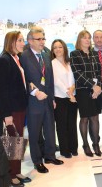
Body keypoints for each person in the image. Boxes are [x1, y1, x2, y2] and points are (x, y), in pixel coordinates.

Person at [20, 27, 63, 174]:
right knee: (34, 133)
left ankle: (50, 156)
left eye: (43, 39)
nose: (42, 42)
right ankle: (37, 161)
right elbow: (23, 80)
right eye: (39, 39)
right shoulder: (23, 57)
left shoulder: (45, 55)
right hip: (33, 102)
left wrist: (52, 98)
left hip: (47, 101)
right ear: (30, 41)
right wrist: (34, 92)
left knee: (50, 129)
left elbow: (49, 80)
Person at [0, 31, 29, 186]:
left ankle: (17, 171)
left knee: (18, 140)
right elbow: (2, 90)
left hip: (20, 106)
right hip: (12, 109)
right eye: (20, 40)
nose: (23, 43)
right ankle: (10, 175)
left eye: (23, 40)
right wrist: (6, 114)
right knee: (12, 142)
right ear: (11, 42)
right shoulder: (4, 60)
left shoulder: (17, 58)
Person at [70, 30, 102, 157]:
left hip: (96, 91)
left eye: (89, 38)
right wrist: (93, 85)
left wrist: (98, 87)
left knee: (95, 117)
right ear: (79, 40)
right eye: (84, 38)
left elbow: (99, 71)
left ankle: (95, 143)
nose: (87, 40)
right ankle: (85, 144)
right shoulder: (74, 54)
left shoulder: (94, 54)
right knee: (84, 118)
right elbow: (77, 74)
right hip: (83, 91)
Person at [51, 39, 78, 158]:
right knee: (62, 125)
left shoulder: (69, 62)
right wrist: (69, 94)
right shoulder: (52, 63)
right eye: (55, 47)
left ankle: (73, 147)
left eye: (60, 47)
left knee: (72, 123)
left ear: (64, 48)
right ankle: (64, 150)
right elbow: (56, 82)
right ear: (52, 50)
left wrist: (73, 88)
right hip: (60, 98)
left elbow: (75, 78)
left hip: (72, 96)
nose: (58, 49)